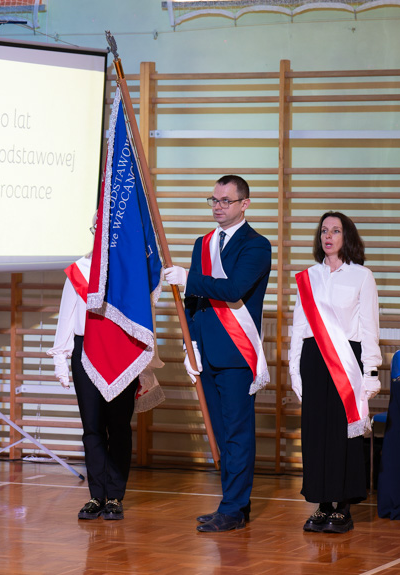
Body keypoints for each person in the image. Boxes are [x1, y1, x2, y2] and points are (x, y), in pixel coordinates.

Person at [164, 174, 272, 532]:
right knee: (222, 432)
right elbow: (194, 303)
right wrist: (190, 343)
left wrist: (188, 278)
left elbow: (234, 289)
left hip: (236, 353)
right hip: (207, 351)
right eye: (213, 200)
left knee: (237, 433)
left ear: (245, 204)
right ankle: (234, 504)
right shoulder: (203, 243)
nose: (218, 207)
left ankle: (233, 506)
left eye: (225, 200)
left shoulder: (256, 245)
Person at [288, 212, 380, 534]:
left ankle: (343, 506)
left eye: (336, 231)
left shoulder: (362, 276)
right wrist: (294, 369)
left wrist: (370, 372)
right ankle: (321, 504)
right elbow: (299, 327)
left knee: (344, 434)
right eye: (324, 231)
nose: (328, 236)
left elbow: (369, 328)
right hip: (314, 360)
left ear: (347, 237)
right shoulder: (308, 277)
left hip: (347, 361)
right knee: (315, 434)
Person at [48, 243, 142, 521]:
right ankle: (96, 496)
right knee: (92, 428)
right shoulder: (80, 270)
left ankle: (114, 496)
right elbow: (66, 315)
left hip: (120, 352)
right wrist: (60, 360)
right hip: (85, 350)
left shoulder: (128, 270)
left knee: (119, 426)